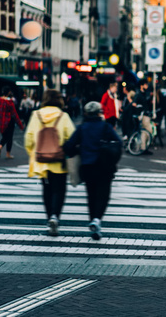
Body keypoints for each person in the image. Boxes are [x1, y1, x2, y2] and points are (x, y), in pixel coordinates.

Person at [64, 101, 121, 240]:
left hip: (87, 167)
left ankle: (93, 222)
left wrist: (78, 150)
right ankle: (97, 220)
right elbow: (118, 142)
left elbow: (69, 146)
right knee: (104, 195)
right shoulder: (105, 127)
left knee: (91, 195)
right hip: (104, 166)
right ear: (99, 112)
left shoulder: (82, 128)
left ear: (86, 113)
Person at [24, 90, 76, 237]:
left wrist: (33, 155)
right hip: (59, 161)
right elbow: (72, 138)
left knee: (47, 190)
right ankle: (55, 216)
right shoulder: (63, 116)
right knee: (59, 190)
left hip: (41, 162)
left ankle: (49, 218)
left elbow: (28, 139)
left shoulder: (36, 115)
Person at [0, 86, 24, 159]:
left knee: (5, 136)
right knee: (9, 138)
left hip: (1, 122)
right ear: (8, 93)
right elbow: (14, 114)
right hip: (9, 122)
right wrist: (20, 125)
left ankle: (0, 147)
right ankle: (7, 153)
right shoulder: (10, 102)